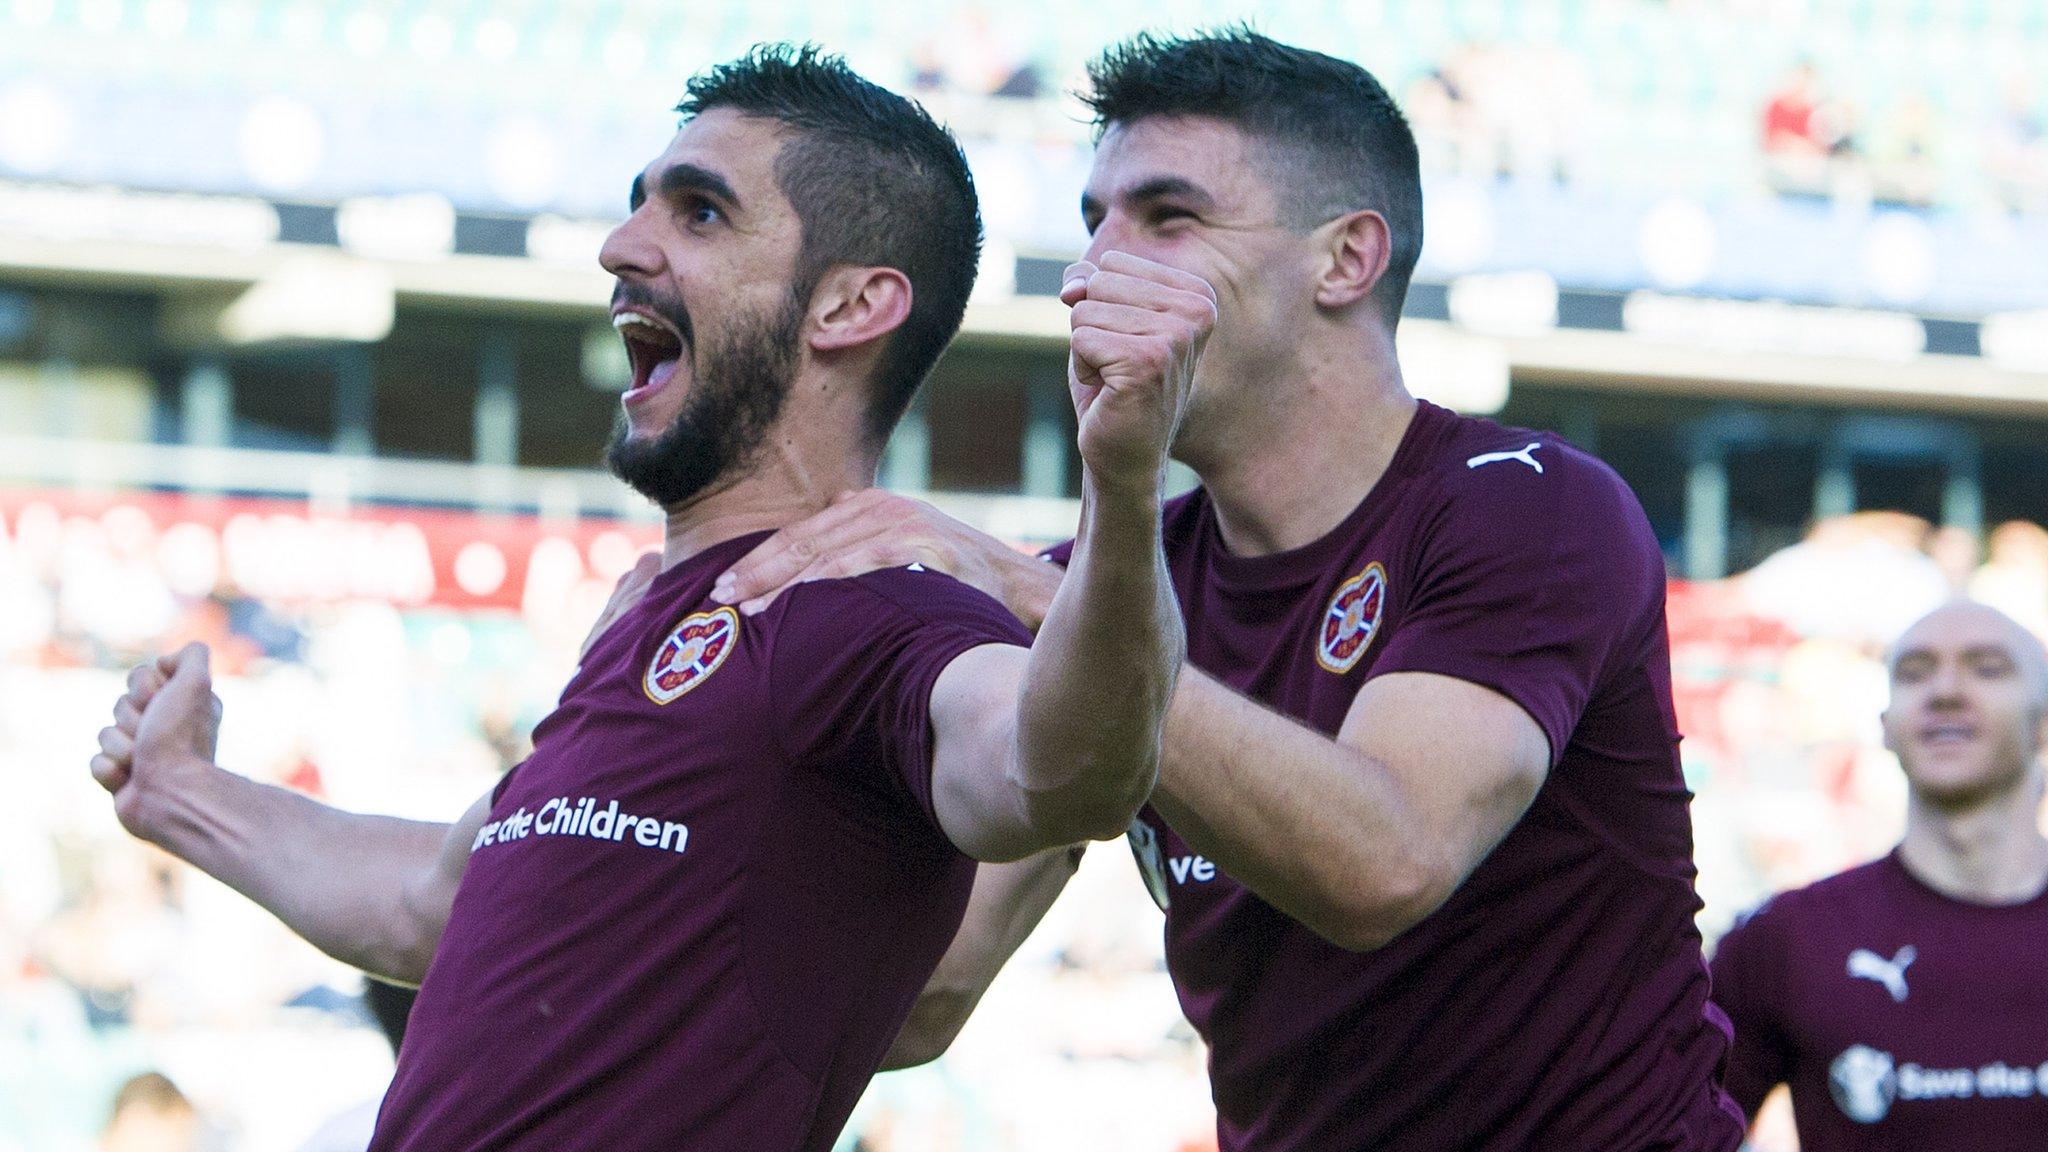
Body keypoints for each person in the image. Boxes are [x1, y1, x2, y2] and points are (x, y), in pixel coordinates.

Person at [88, 45, 1201, 1152]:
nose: (623, 246)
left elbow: (1058, 770)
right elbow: (436, 903)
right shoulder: (650, 618)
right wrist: (178, 793)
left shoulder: (879, 612)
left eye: (700, 213)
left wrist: (1122, 481)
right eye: (639, 207)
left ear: (852, 305)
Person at [712, 30, 1744, 1151]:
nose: (1090, 273)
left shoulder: (1526, 506)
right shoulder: (1098, 582)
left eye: (1166, 218)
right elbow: (927, 996)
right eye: (1092, 223)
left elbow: (1384, 862)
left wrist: (1032, 593)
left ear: (1344, 259)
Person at [1710, 600, 2048, 1148]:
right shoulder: (1787, 939)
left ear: (2043, 723)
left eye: (1987, 668)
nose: (1945, 691)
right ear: (1885, 726)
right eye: (1914, 672)